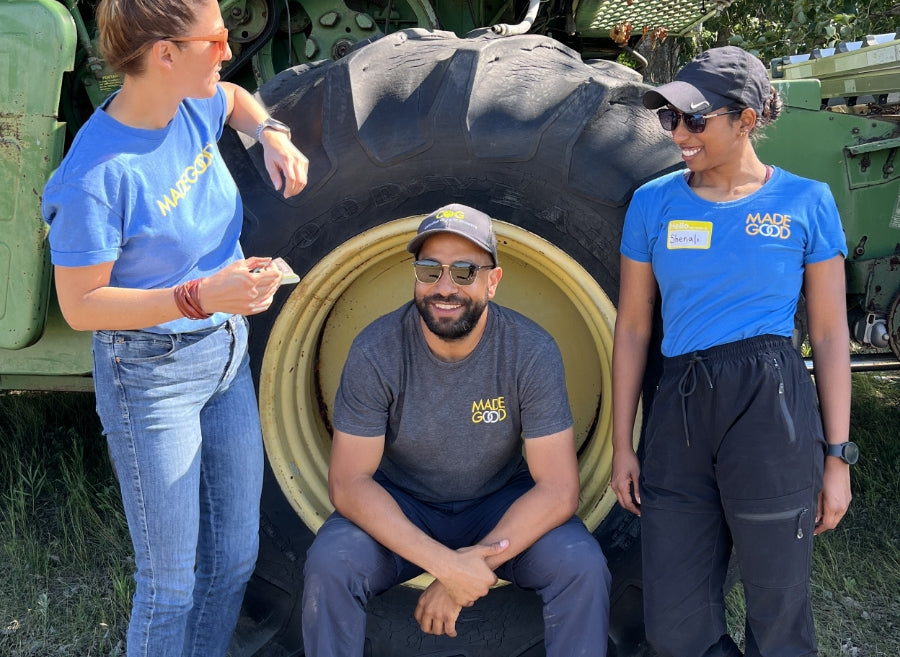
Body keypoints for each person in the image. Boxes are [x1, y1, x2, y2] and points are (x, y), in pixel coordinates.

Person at [40, 0, 309, 655]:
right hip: (150, 374)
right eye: (216, 39)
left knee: (234, 560)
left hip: (224, 356)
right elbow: (83, 306)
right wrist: (198, 295)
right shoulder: (96, 177)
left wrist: (272, 130)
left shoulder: (190, 101)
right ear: (164, 53)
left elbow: (238, 98)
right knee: (170, 586)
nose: (227, 49)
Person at [610, 46, 853, 657]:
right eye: (670, 120)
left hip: (771, 411)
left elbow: (827, 335)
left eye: (695, 120)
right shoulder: (653, 203)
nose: (679, 135)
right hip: (680, 412)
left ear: (746, 118)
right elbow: (635, 328)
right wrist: (621, 443)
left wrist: (836, 457)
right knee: (674, 622)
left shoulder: (807, 202)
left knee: (778, 608)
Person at [301, 203, 611, 656]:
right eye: (430, 270)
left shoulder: (530, 351)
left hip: (497, 503)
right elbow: (349, 484)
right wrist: (446, 566)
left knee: (580, 565)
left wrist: (465, 573)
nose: (444, 287)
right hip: (405, 504)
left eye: (465, 272)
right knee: (331, 563)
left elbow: (559, 489)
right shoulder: (376, 350)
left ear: (494, 281)